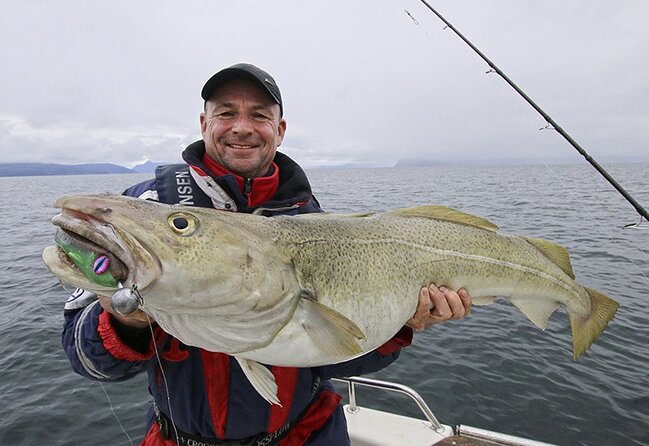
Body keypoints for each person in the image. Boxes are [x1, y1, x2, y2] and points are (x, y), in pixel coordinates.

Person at [62, 63, 472, 446]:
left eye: (259, 115)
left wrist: (404, 322)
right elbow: (87, 361)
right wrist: (124, 319)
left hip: (308, 435)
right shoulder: (143, 209)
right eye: (226, 113)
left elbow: (334, 361)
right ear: (204, 124)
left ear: (280, 129)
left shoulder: (317, 226)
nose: (242, 127)